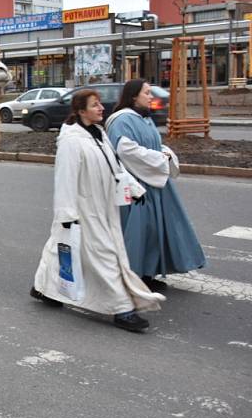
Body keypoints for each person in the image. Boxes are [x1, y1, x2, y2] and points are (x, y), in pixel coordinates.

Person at [32, 89, 165, 332]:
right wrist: (66, 215)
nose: (101, 108)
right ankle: (122, 309)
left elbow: (114, 166)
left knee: (61, 249)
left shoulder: (98, 134)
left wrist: (134, 189)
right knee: (104, 257)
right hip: (84, 210)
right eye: (95, 105)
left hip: (104, 207)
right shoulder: (72, 140)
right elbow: (65, 178)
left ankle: (45, 288)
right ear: (81, 111)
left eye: (100, 104)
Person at [105, 79, 205, 291]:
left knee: (155, 230)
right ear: (134, 96)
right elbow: (126, 151)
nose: (151, 97)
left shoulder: (145, 119)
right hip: (136, 186)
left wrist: (164, 153)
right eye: (147, 93)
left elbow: (153, 145)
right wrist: (160, 158)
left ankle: (147, 273)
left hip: (153, 181)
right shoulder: (121, 120)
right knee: (141, 233)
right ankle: (135, 277)